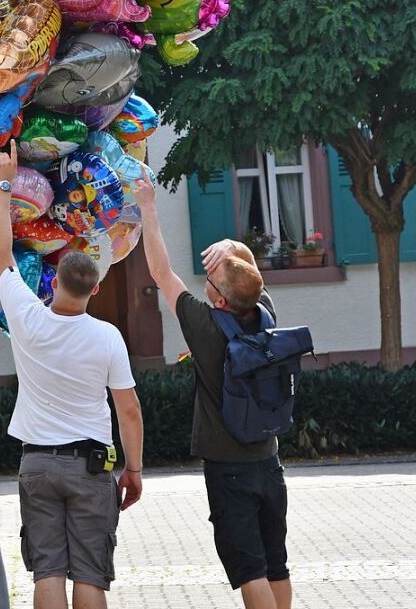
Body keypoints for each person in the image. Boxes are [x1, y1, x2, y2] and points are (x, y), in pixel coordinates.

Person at [0, 140, 144, 609]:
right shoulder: (108, 338)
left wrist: (4, 184)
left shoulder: (27, 317)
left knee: (48, 571)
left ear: (54, 282)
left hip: (37, 464)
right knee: (91, 576)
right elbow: (129, 410)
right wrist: (133, 469)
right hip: (91, 466)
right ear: (95, 289)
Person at [135, 170, 291, 609]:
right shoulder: (266, 316)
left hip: (229, 469)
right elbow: (251, 274)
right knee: (276, 563)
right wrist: (235, 248)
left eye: (216, 276)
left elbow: (161, 272)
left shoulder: (206, 327)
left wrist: (148, 208)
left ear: (219, 299)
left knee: (249, 571)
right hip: (269, 461)